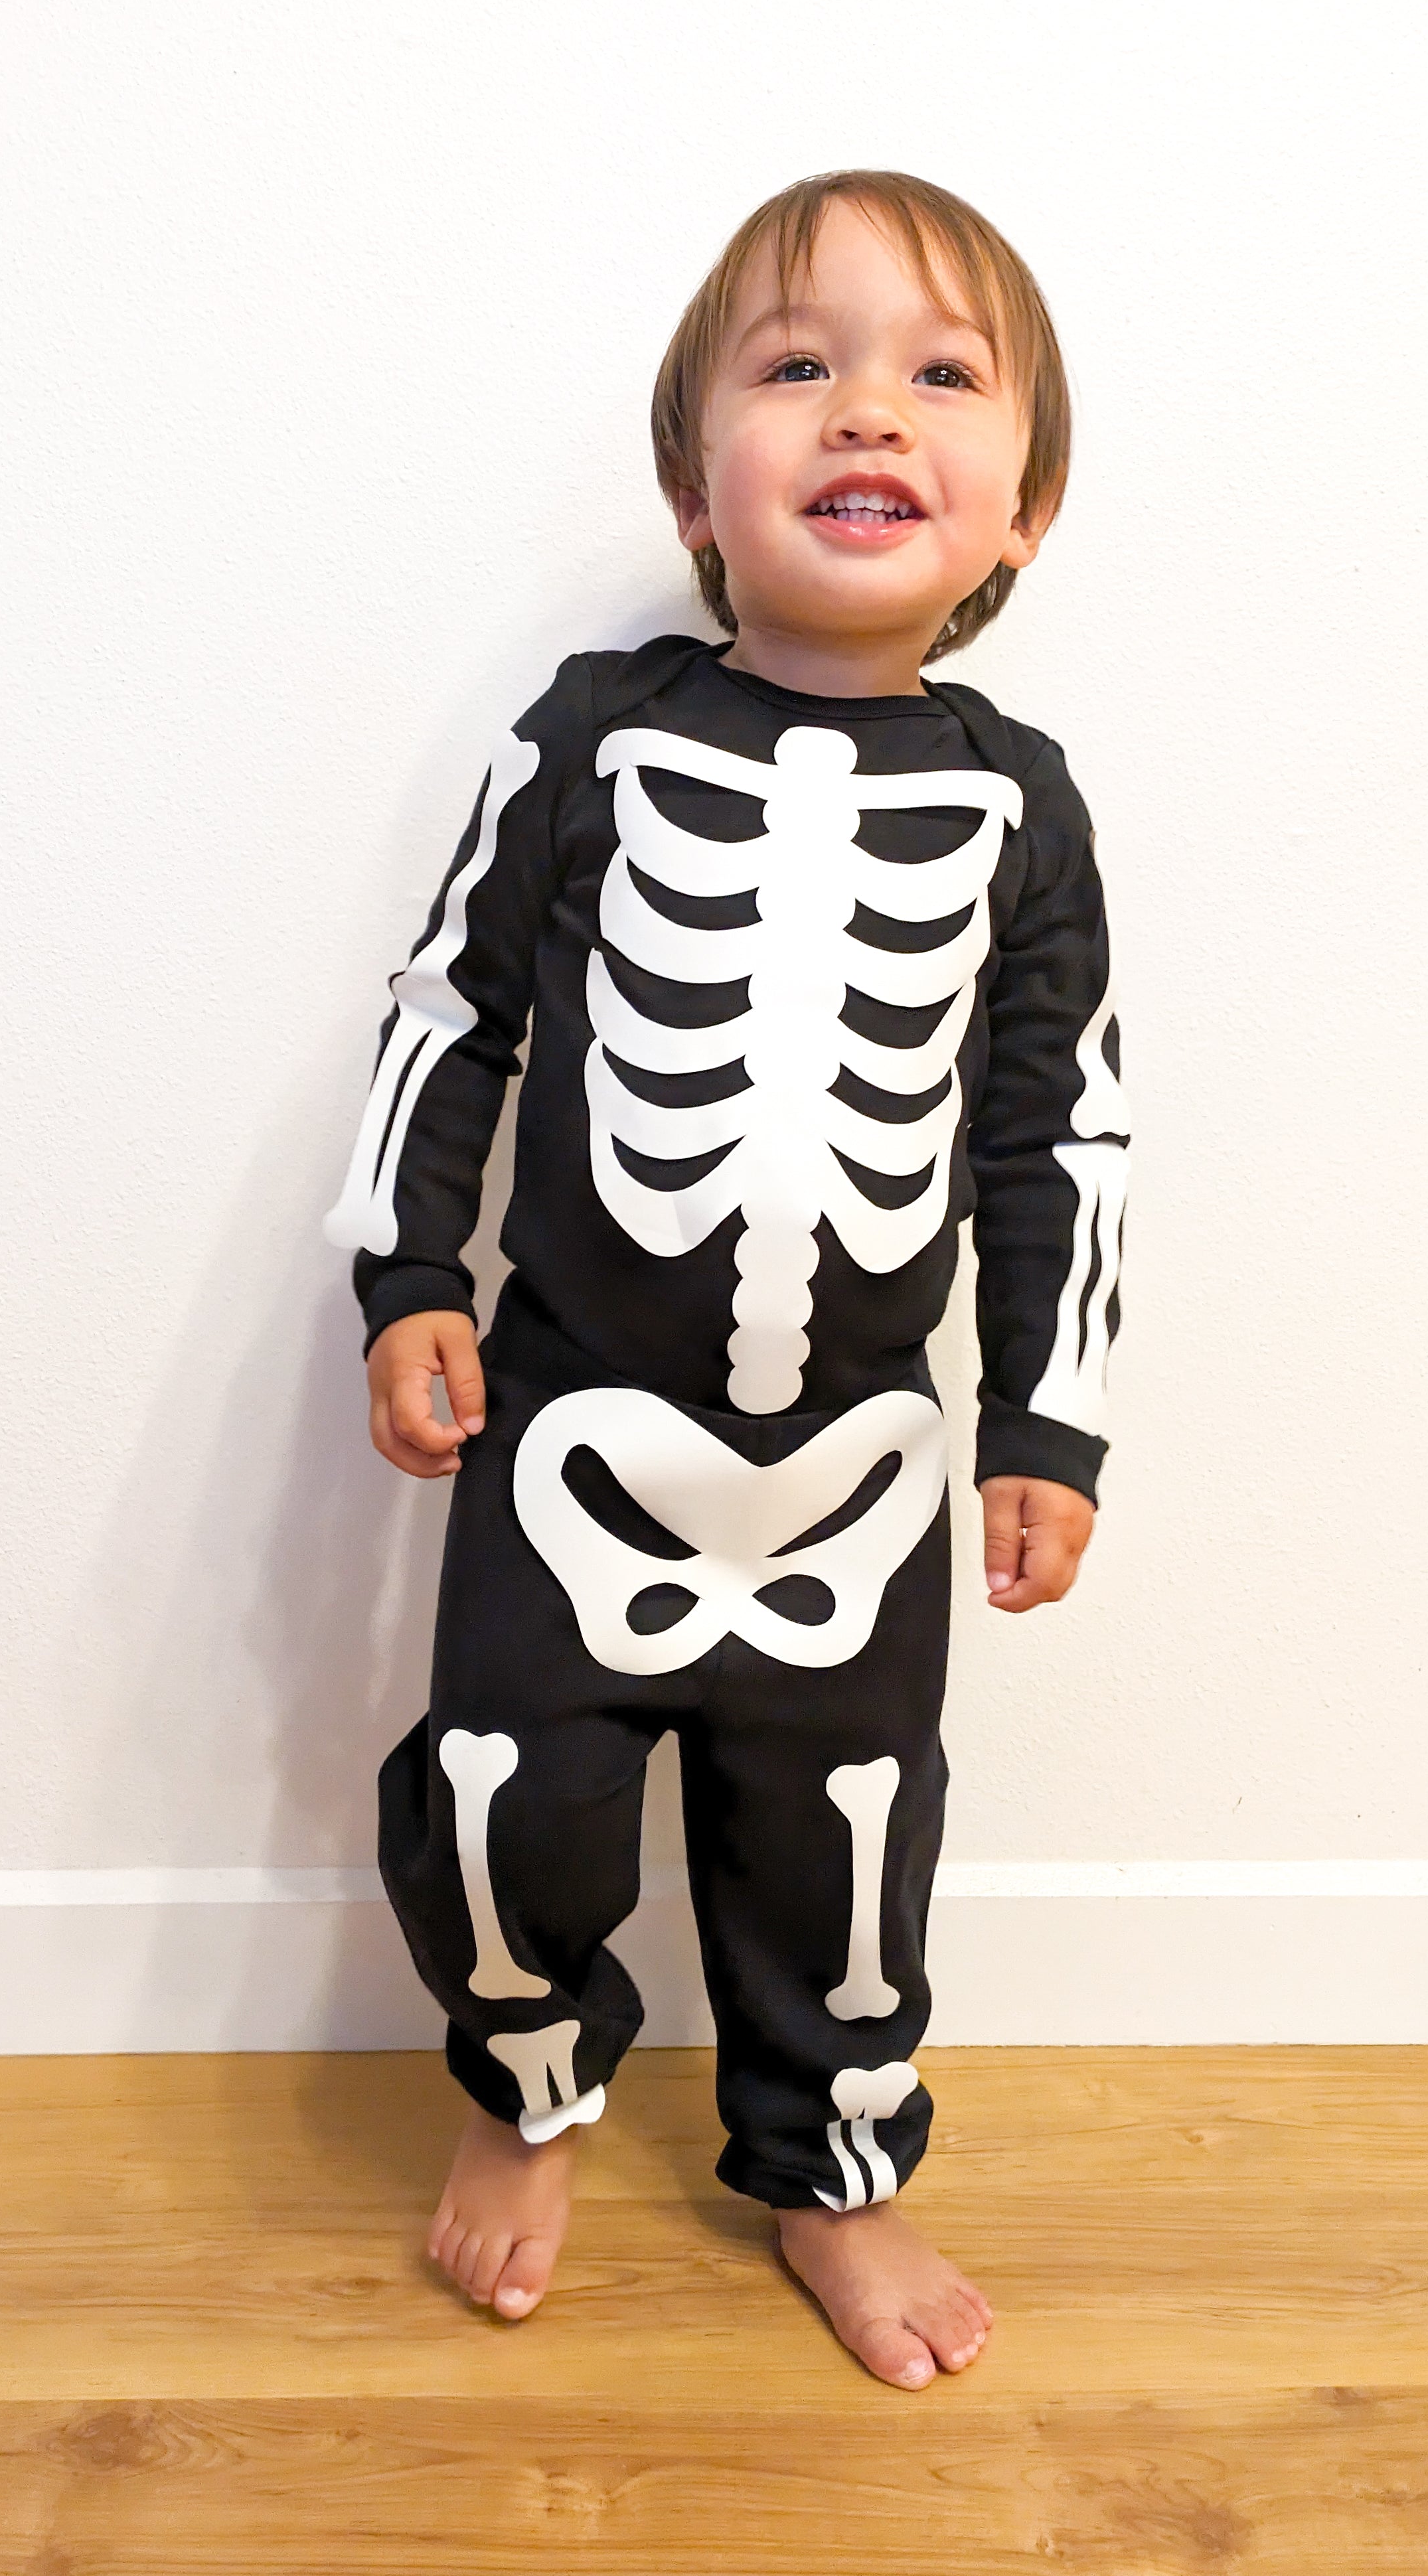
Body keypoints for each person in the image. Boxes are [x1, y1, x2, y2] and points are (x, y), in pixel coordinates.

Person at [325, 171, 1128, 2391]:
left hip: (866, 1462)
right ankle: (529, 2098)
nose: (867, 403)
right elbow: (446, 1012)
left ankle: (832, 2171)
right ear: (696, 481)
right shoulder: (583, 736)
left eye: (940, 375)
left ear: (1019, 514)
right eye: (796, 365)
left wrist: (1046, 1424)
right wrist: (410, 1272)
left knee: (845, 1858)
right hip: (569, 1424)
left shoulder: (1024, 806)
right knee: (511, 1794)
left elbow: (1059, 1127)